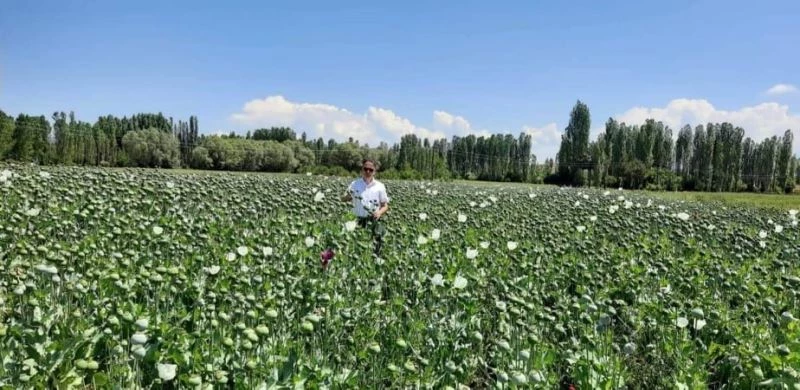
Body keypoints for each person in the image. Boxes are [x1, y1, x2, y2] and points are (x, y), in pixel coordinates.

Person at [341, 158, 389, 256]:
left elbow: (385, 206)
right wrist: (348, 196)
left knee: (376, 249)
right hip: (357, 220)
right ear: (362, 170)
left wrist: (379, 212)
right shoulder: (354, 184)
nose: (368, 171)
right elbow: (344, 199)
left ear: (374, 171)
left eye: (371, 170)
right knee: (355, 248)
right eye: (365, 169)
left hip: (373, 220)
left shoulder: (380, 186)